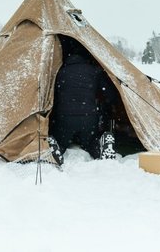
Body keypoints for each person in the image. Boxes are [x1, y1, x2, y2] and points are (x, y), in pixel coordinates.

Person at [48, 36, 119, 164]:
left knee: (61, 142)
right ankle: (101, 145)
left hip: (64, 118)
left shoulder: (60, 72)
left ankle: (55, 145)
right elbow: (110, 95)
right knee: (90, 144)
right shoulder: (94, 71)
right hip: (89, 117)